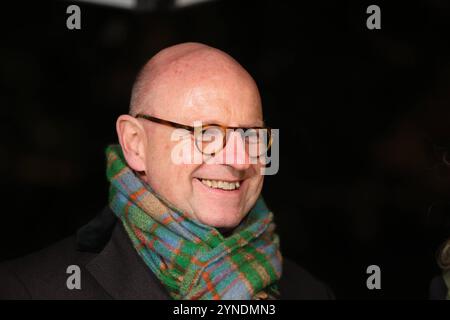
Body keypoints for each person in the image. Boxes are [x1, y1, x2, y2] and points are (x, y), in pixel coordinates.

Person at [0, 43, 333, 300]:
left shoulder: (310, 292)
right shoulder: (30, 289)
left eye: (250, 135)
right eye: (207, 134)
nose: (240, 160)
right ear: (135, 144)